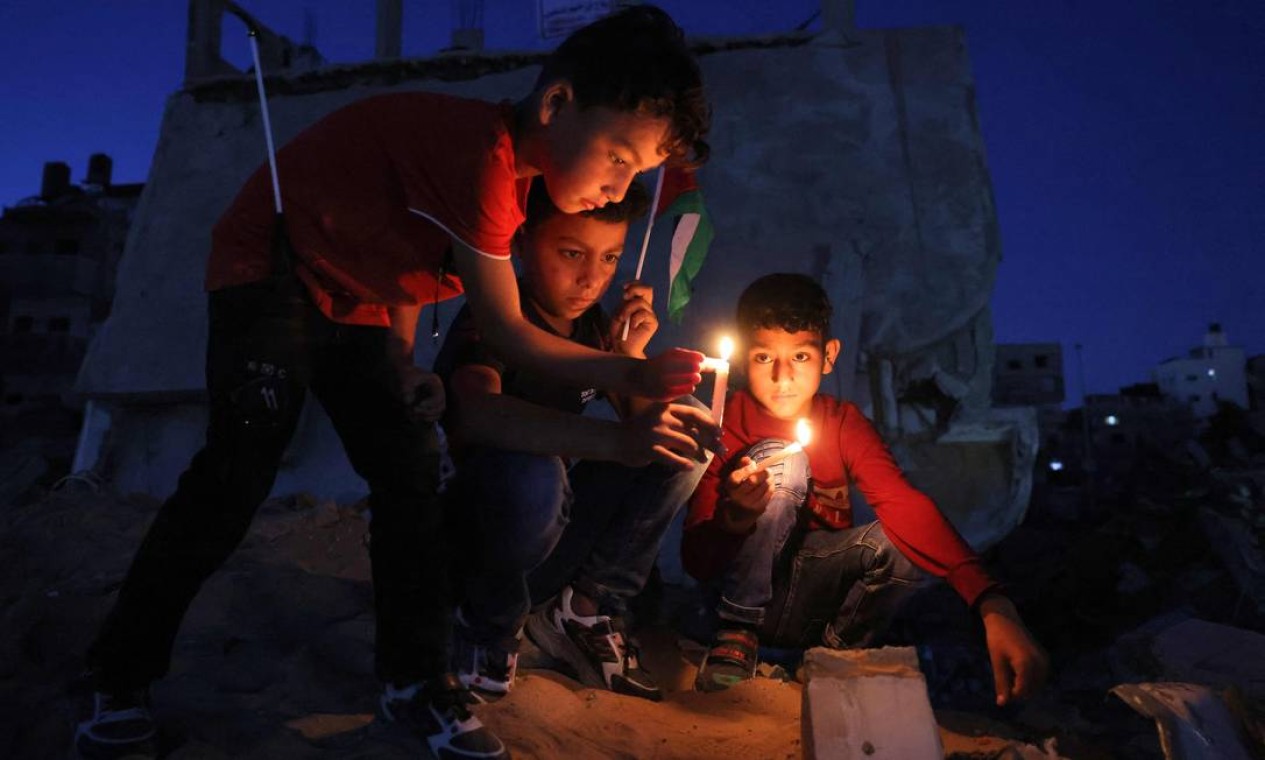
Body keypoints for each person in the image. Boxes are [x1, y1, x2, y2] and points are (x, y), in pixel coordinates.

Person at [75, 6, 711, 759]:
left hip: (360, 299)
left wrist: (405, 362)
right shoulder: (480, 157)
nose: (619, 185)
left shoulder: (503, 187)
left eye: (636, 172)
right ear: (556, 104)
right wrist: (630, 371)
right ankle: (117, 679)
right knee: (236, 472)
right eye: (617, 157)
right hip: (272, 265)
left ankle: (415, 682)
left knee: (409, 471)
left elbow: (406, 256)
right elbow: (508, 333)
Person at [683, 273, 1048, 704]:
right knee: (786, 460)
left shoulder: (842, 423)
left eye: (800, 356)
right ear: (744, 359)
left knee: (903, 541)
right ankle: (737, 635)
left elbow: (905, 506)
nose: (783, 377)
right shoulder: (725, 422)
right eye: (764, 358)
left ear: (828, 356)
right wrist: (734, 519)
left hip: (812, 598)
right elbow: (696, 562)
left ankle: (831, 658)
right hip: (735, 599)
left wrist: (992, 604)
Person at [435, 177, 709, 704]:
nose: (591, 278)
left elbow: (648, 440)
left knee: (685, 431)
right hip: (477, 551)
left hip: (550, 546)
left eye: (609, 259)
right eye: (571, 253)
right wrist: (613, 440)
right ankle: (484, 624)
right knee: (532, 470)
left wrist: (631, 357)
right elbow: (476, 412)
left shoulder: (594, 326)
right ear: (519, 243)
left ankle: (583, 609)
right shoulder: (496, 319)